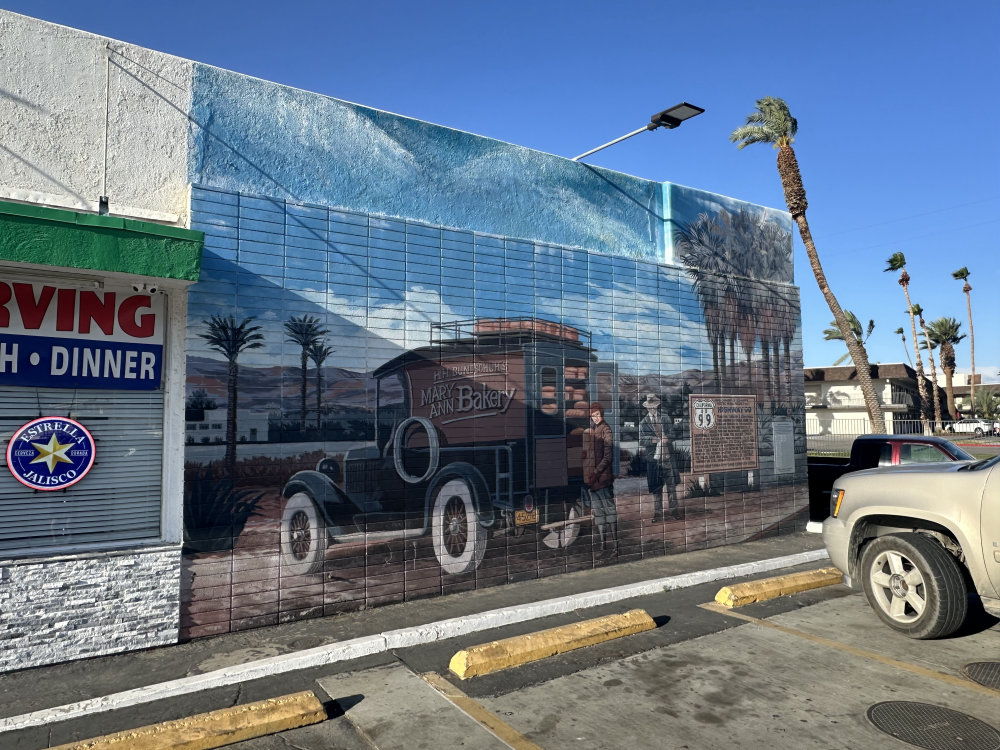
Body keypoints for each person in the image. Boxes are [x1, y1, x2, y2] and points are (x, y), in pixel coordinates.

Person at [582, 402, 617, 557]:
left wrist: (596, 472)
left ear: (602, 414)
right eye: (592, 415)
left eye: (597, 415)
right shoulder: (594, 430)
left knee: (609, 512)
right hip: (593, 480)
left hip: (602, 479)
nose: (595, 418)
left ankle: (616, 548)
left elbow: (608, 456)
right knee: (600, 515)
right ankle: (603, 547)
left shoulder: (606, 429)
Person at [639, 393, 679, 521]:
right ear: (646, 408)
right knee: (656, 487)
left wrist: (668, 438)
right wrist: (653, 440)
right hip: (654, 460)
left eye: (654, 406)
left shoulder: (666, 418)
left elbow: (673, 434)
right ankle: (657, 513)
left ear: (657, 406)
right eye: (650, 406)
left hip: (667, 458)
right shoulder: (643, 423)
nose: (652, 408)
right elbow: (641, 441)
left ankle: (674, 510)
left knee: (671, 487)